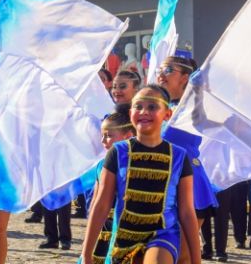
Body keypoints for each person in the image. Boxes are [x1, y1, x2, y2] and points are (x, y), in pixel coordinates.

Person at [81, 85, 202, 264]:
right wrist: (86, 254)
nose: (144, 111)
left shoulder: (179, 157)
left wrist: (196, 259)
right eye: (138, 106)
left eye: (152, 107)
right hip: (124, 237)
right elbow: (101, 204)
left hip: (163, 235)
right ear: (131, 113)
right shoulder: (118, 152)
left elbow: (186, 212)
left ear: (167, 114)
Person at [157, 56, 218, 264]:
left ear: (185, 77)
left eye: (168, 70)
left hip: (188, 183)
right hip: (160, 182)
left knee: (182, 254)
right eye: (160, 70)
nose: (161, 75)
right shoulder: (158, 106)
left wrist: (198, 85)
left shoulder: (193, 108)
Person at [86, 112, 136, 263]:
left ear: (127, 136)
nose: (103, 141)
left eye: (108, 135)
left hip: (127, 232)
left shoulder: (137, 163)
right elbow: (95, 202)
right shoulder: (102, 165)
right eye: (102, 135)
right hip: (103, 231)